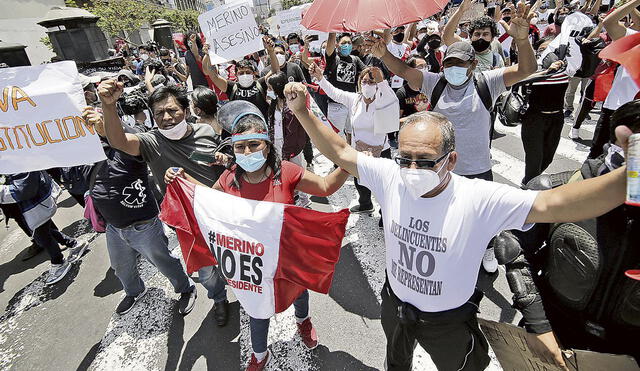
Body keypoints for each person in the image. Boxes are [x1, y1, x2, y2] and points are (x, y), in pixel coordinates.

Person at [283, 80, 632, 371]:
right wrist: (302, 110)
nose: (412, 171)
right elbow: (341, 152)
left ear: (451, 160)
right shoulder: (389, 174)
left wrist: (629, 176)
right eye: (405, 159)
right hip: (395, 304)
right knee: (396, 361)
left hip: (448, 321)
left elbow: (555, 204)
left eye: (424, 161)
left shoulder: (479, 198)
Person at [164, 106, 350, 371]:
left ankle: (303, 321)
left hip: (287, 255)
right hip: (251, 262)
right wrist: (183, 180)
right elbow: (208, 201)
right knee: (256, 309)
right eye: (241, 147)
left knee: (298, 292)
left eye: (254, 145)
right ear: (233, 149)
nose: (248, 153)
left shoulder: (285, 172)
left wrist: (349, 161)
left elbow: (325, 187)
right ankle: (260, 354)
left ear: (266, 145)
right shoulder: (229, 178)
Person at [367, 3, 537, 272]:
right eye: (449, 63)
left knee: (484, 219)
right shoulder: (435, 82)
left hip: (478, 170)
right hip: (442, 170)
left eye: (460, 63)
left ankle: (488, 248)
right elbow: (402, 70)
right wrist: (384, 53)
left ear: (472, 64)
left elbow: (526, 69)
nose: (454, 68)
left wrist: (522, 39)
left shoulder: (487, 82)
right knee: (446, 218)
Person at [98, 81, 232, 326]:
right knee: (206, 271)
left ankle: (246, 294)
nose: (166, 117)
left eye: (172, 110)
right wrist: (108, 106)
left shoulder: (207, 132)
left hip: (223, 215)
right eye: (159, 113)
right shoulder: (149, 142)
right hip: (188, 223)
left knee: (233, 260)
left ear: (186, 111)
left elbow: (230, 168)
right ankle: (219, 298)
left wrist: (225, 160)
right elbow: (118, 141)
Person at [82, 106, 197, 316]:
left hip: (144, 225)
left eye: (101, 124)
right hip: (114, 228)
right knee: (120, 266)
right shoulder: (88, 155)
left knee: (163, 260)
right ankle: (134, 291)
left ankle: (186, 288)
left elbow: (131, 137)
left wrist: (105, 125)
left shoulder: (128, 149)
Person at [310, 62, 397, 222]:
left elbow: (392, 99)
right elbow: (335, 93)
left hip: (381, 151)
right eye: (364, 81)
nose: (367, 85)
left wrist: (382, 82)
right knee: (360, 182)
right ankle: (365, 203)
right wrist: (320, 78)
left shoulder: (385, 100)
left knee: (384, 186)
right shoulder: (354, 100)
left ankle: (386, 214)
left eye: (371, 82)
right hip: (359, 151)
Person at [0, 171, 89, 285]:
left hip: (34, 206)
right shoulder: (11, 160)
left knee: (43, 238)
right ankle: (74, 244)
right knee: (45, 232)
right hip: (29, 208)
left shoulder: (18, 162)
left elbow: (24, 190)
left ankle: (59, 263)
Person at [588, 0, 640, 158]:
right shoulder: (634, 39)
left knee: (631, 164)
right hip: (615, 109)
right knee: (597, 157)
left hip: (637, 116)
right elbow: (609, 23)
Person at [520, 38, 570, 185]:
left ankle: (528, 182)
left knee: (548, 158)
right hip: (534, 119)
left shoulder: (566, 69)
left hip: (556, 119)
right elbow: (520, 81)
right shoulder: (531, 69)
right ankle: (529, 188)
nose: (546, 54)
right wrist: (547, 71)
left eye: (550, 50)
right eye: (542, 50)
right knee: (534, 161)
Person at [203, 37, 279, 119]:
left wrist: (271, 51)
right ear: (236, 75)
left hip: (261, 128)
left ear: (254, 74)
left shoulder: (260, 84)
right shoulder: (231, 87)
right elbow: (214, 76)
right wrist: (208, 55)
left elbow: (275, 71)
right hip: (240, 129)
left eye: (248, 72)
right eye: (241, 73)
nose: (245, 75)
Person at [324, 32, 367, 137]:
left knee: (352, 134)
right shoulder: (333, 58)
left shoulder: (355, 59)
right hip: (336, 105)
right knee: (336, 136)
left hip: (351, 104)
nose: (347, 45)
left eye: (349, 42)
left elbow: (366, 72)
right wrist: (332, 33)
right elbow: (329, 48)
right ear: (337, 45)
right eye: (343, 43)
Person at [443, 7, 505, 72]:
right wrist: (461, 10)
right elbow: (447, 36)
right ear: (470, 36)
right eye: (477, 34)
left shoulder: (497, 59)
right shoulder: (464, 48)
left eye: (485, 34)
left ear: (492, 38)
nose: (481, 37)